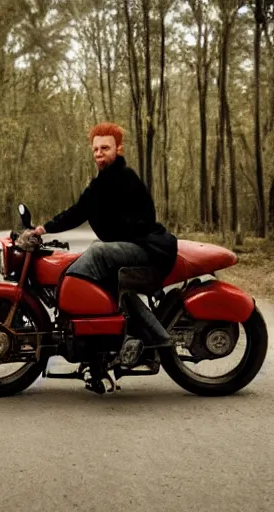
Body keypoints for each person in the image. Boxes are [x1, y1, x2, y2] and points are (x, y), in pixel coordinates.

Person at [29, 122, 178, 366]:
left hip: (150, 250)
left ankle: (74, 307)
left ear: (118, 149)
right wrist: (44, 228)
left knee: (98, 252)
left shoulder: (124, 178)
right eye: (96, 149)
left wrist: (116, 230)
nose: (99, 153)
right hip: (137, 248)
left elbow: (141, 220)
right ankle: (108, 338)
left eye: (105, 148)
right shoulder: (102, 182)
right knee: (97, 260)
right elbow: (78, 212)